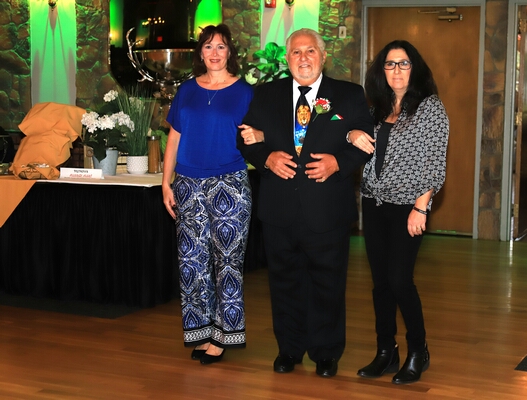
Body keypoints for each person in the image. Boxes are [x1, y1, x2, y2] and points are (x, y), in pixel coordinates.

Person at [237, 28, 373, 378]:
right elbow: (245, 138)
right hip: (279, 208)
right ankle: (289, 349)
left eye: (310, 50)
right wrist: (266, 158)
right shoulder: (266, 94)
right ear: (287, 59)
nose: (303, 58)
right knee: (284, 283)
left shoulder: (348, 94)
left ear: (323, 56)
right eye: (296, 52)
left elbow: (365, 140)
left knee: (328, 284)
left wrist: (337, 163)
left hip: (327, 208)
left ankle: (326, 353)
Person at [347, 40, 449, 384]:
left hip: (409, 206)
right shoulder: (376, 108)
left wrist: (422, 206)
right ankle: (385, 351)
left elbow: (435, 162)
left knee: (399, 280)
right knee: (380, 284)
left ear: (414, 68)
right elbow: (348, 133)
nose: (396, 70)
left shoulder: (430, 108)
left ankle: (418, 350)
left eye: (403, 63)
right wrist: (351, 133)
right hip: (374, 204)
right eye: (389, 64)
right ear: (382, 70)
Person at [161, 24, 253, 365]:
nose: (215, 53)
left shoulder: (246, 92)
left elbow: (258, 134)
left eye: (221, 46)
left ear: (230, 53)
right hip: (187, 183)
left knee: (227, 263)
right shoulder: (186, 90)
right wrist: (166, 182)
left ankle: (223, 336)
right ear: (201, 52)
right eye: (209, 46)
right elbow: (174, 138)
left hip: (230, 184)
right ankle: (201, 331)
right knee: (192, 263)